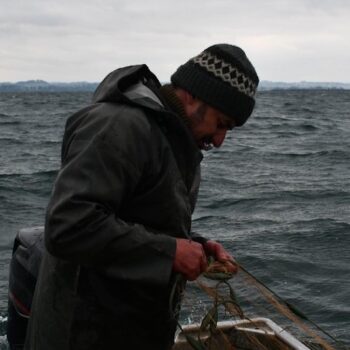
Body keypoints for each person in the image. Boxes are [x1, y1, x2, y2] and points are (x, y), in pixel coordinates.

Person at [24, 43, 259, 350]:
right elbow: (68, 225)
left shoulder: (174, 138)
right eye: (221, 124)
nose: (220, 141)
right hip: (83, 335)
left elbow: (137, 217)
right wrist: (171, 253)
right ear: (191, 95)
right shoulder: (121, 125)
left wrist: (194, 245)